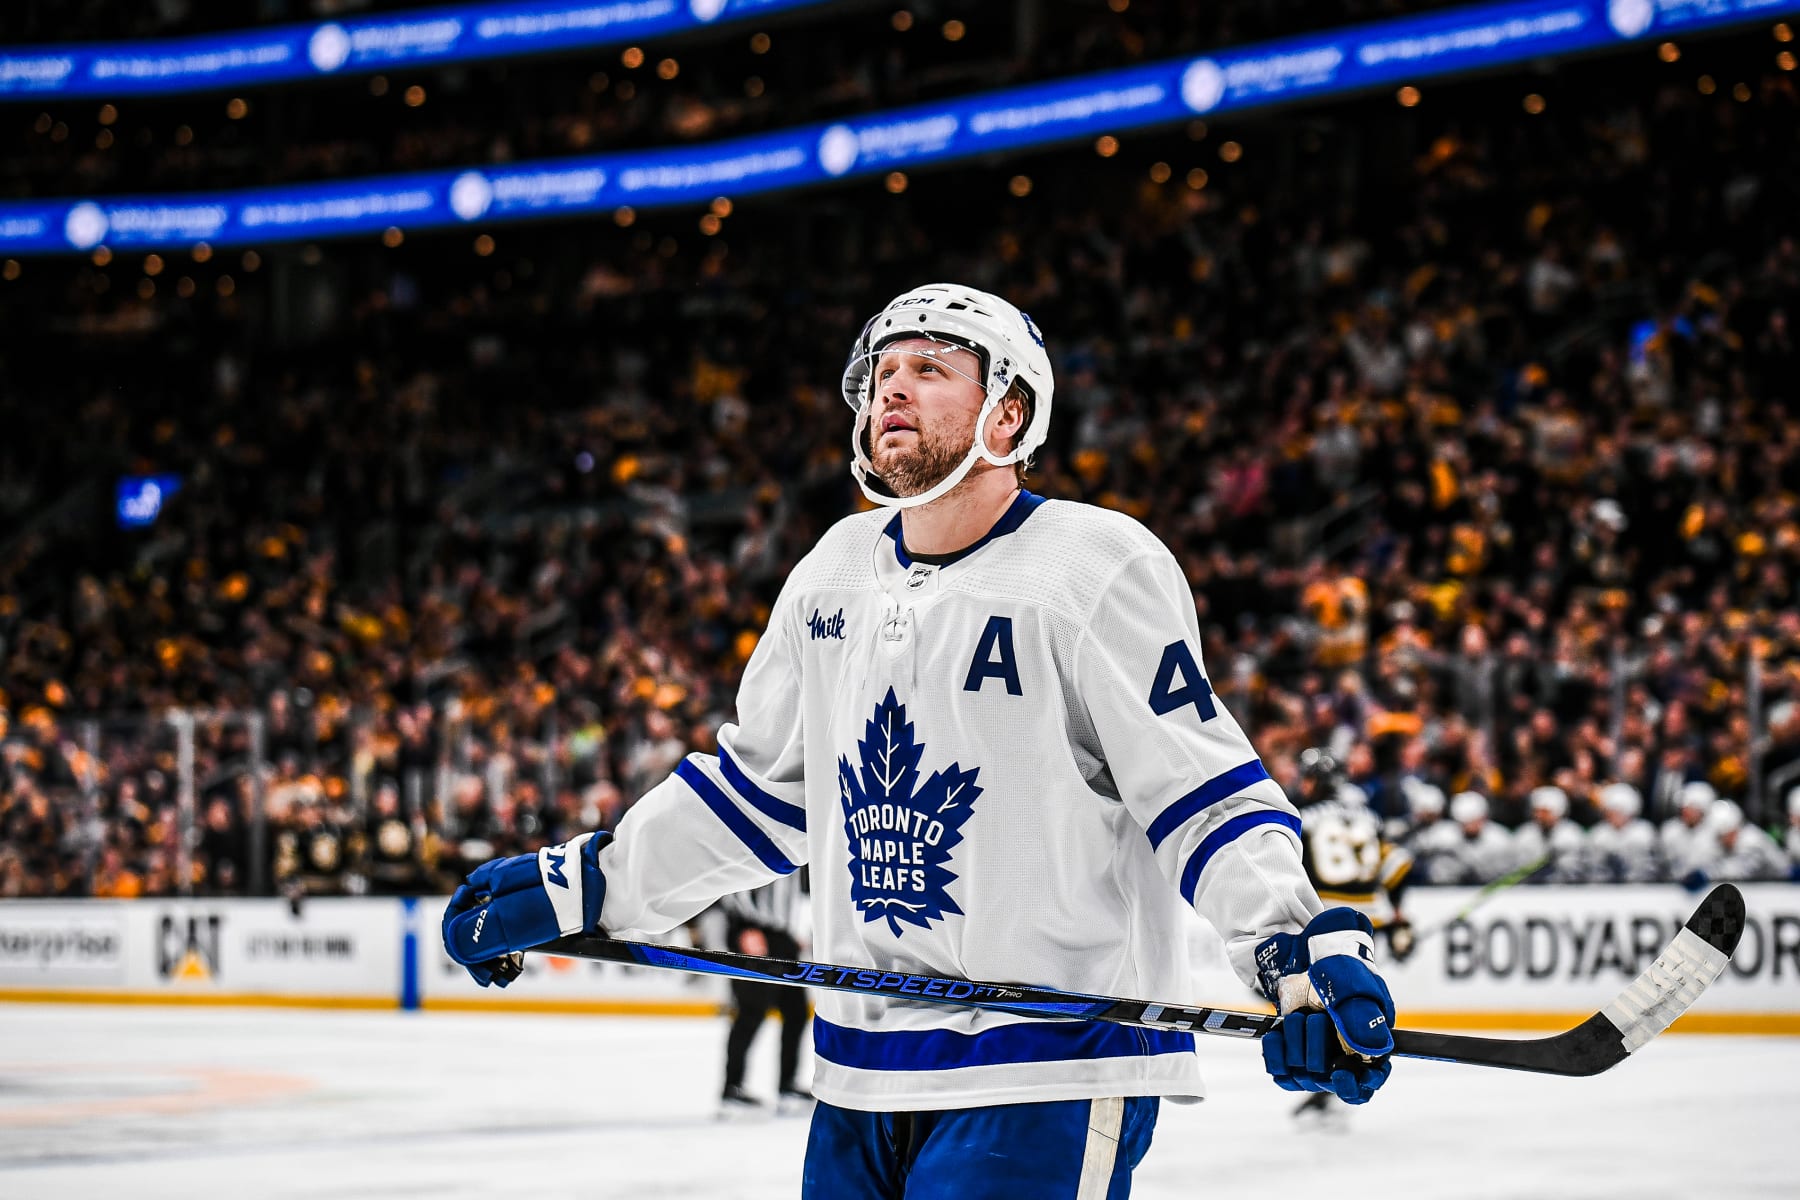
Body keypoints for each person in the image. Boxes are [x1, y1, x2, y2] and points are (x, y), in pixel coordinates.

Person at [439, 283, 1395, 1197]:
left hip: (1044, 1075)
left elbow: (1199, 793)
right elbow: (758, 798)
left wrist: (1292, 948)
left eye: (932, 368)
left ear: (1009, 415)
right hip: (859, 1073)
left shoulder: (1094, 566)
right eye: (882, 370)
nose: (891, 386)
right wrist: (591, 882)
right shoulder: (832, 570)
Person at [1288, 748, 1413, 1126]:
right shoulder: (1369, 817)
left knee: (1313, 1006)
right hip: (1367, 926)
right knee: (1356, 1005)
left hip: (1325, 921)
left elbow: (1291, 870)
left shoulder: (1302, 817)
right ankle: (1344, 1082)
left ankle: (1332, 1085)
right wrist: (1396, 918)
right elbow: (1398, 866)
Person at [717, 872, 815, 1116]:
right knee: (751, 1012)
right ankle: (731, 1089)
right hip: (754, 932)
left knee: (796, 1013)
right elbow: (732, 877)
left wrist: (793, 933)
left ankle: (787, 1086)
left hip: (783, 936)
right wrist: (743, 927)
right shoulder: (762, 838)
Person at [1586, 782, 1660, 883]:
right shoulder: (1599, 834)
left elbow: (1650, 868)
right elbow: (1594, 868)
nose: (1615, 815)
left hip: (1639, 889)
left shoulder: (1644, 833)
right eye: (1611, 811)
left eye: (1620, 811)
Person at [1511, 785, 1587, 883]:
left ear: (1558, 811)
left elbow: (1576, 871)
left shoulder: (1573, 835)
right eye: (1536, 811)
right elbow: (1518, 869)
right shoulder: (1524, 834)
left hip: (1566, 890)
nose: (1539, 815)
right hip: (1531, 890)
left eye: (1545, 812)